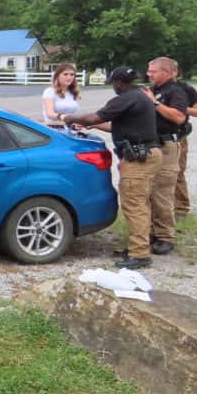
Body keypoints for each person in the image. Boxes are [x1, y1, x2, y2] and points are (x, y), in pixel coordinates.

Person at [63, 67, 161, 269]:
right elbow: (117, 125)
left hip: (139, 159)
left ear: (118, 82)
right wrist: (94, 126)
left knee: (134, 206)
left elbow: (94, 117)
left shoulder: (124, 99)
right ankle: (138, 246)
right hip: (148, 154)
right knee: (141, 204)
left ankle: (140, 254)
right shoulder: (139, 97)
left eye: (113, 83)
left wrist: (70, 118)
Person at [142, 57, 188, 256]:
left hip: (167, 146)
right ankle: (153, 232)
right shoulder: (157, 90)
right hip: (154, 144)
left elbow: (179, 117)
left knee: (162, 192)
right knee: (150, 191)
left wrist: (153, 103)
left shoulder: (175, 91)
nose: (149, 74)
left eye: (153, 71)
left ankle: (165, 237)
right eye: (149, 71)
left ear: (168, 72)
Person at [172, 61, 197, 220]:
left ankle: (181, 208)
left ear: (174, 72)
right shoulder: (152, 90)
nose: (150, 74)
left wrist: (179, 109)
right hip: (157, 137)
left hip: (178, 137)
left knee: (177, 172)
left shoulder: (185, 89)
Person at [42, 64, 80, 129]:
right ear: (57, 76)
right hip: (54, 129)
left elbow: (73, 114)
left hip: (71, 129)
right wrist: (65, 118)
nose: (69, 77)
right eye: (65, 74)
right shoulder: (50, 91)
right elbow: (50, 114)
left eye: (72, 74)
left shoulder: (72, 93)